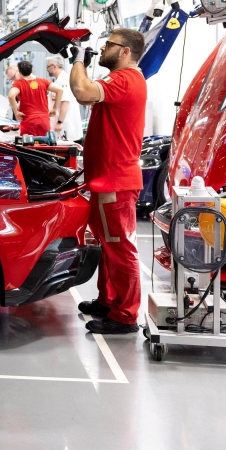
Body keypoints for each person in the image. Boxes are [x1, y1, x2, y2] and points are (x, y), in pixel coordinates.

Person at [69, 28, 147, 335]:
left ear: (125, 51)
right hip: (107, 179)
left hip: (115, 181)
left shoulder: (125, 80)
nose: (103, 49)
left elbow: (82, 92)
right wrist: (82, 65)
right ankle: (108, 301)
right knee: (107, 245)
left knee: (120, 248)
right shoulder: (122, 82)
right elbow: (88, 91)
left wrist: (77, 60)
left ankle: (126, 315)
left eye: (109, 45)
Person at [7, 60, 63, 137]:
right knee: (44, 145)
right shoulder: (43, 81)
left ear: (19, 71)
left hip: (28, 121)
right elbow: (60, 90)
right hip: (44, 120)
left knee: (29, 147)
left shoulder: (19, 84)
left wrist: (16, 112)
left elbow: (11, 95)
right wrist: (54, 108)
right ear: (31, 70)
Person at [46, 56, 83, 142]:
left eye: (48, 67)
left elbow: (65, 102)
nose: (47, 69)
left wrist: (60, 122)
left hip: (65, 124)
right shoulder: (58, 80)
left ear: (54, 66)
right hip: (60, 123)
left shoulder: (64, 80)